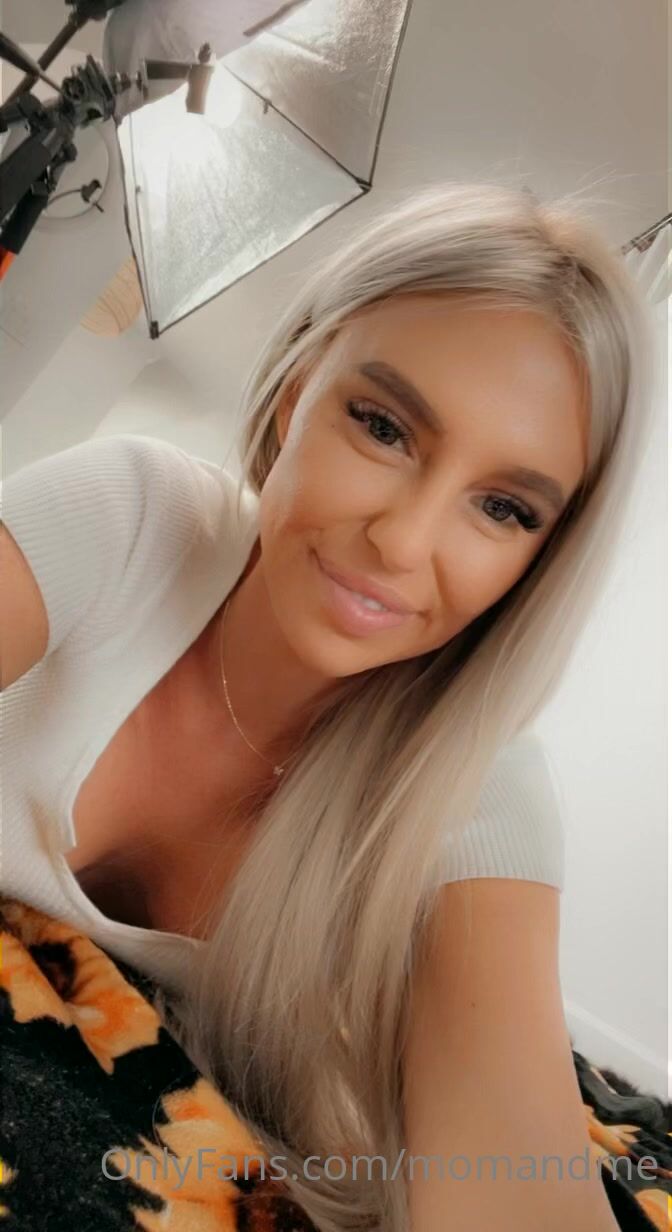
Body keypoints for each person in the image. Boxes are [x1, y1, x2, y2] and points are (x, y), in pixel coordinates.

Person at [0, 181, 654, 1231]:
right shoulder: (131, 517)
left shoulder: (478, 786)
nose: (402, 540)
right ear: (298, 391)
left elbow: (520, 1196)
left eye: (502, 507)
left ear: (540, 558)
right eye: (383, 426)